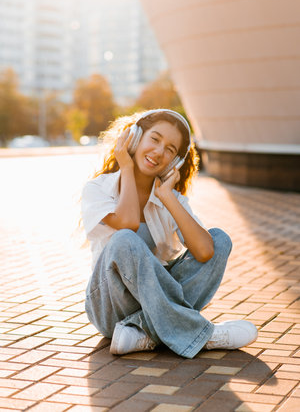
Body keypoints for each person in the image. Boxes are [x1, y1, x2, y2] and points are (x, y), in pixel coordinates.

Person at [81, 109, 257, 358]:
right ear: (134, 138)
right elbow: (128, 223)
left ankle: (144, 333)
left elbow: (206, 252)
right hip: (110, 306)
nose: (159, 152)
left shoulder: (170, 198)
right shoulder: (98, 189)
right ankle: (202, 335)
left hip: (152, 303)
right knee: (124, 239)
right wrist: (127, 167)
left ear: (175, 162)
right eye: (154, 139)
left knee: (219, 240)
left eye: (170, 149)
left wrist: (166, 196)